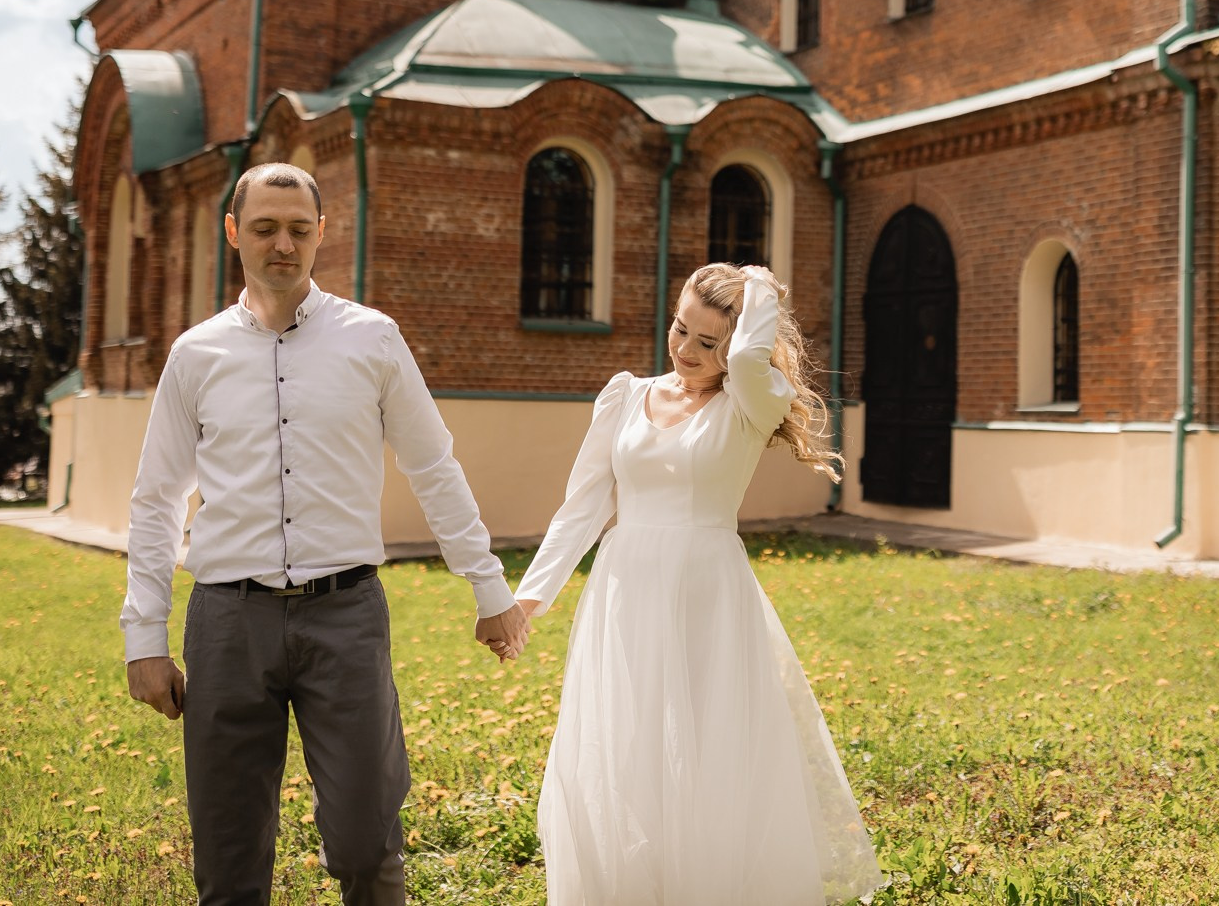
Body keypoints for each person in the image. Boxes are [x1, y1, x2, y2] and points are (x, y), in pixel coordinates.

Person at [119, 162, 530, 906]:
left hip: (344, 617)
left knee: (365, 840)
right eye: (267, 227)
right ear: (234, 232)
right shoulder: (195, 355)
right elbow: (155, 501)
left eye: (300, 229)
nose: (284, 243)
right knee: (228, 853)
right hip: (227, 620)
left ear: (321, 235)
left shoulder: (372, 340)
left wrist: (489, 586)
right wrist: (143, 637)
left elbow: (433, 464)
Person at [515, 262, 883, 905]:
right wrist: (528, 598)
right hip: (625, 587)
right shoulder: (625, 394)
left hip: (708, 594)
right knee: (629, 746)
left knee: (709, 748)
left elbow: (745, 361)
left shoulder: (752, 396)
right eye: (680, 328)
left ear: (741, 345)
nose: (685, 350)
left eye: (708, 343)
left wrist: (762, 286)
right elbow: (583, 504)